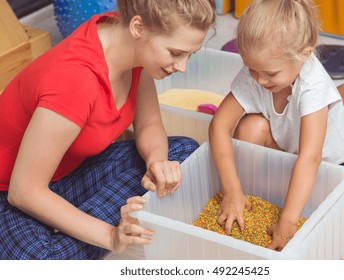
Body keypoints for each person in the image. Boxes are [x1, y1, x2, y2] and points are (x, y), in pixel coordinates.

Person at [0, 0, 216, 259]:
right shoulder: (75, 81)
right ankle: (70, 232)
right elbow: (24, 191)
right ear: (139, 27)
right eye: (175, 53)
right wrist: (110, 236)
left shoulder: (129, 40)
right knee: (39, 261)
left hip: (70, 171)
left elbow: (148, 125)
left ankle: (66, 228)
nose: (183, 67)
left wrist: (157, 163)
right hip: (11, 190)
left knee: (184, 153)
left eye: (190, 54)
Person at [209, 0, 344, 252]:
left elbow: (310, 158)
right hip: (283, 152)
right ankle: (259, 189)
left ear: (304, 54)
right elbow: (218, 126)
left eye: (270, 73)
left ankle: (292, 198)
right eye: (251, 68)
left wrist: (288, 223)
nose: (259, 80)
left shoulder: (313, 84)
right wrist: (232, 190)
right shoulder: (259, 71)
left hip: (326, 162)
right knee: (251, 126)